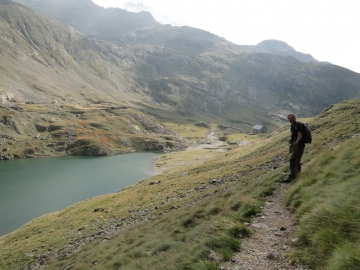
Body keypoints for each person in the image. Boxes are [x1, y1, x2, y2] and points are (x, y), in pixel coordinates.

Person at [284, 114, 305, 182]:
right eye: (289, 118)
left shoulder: (298, 125)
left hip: (299, 145)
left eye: (291, 118)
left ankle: (291, 176)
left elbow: (300, 135)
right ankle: (298, 173)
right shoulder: (292, 126)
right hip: (295, 145)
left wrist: (296, 142)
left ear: (295, 118)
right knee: (296, 159)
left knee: (292, 159)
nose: (290, 119)